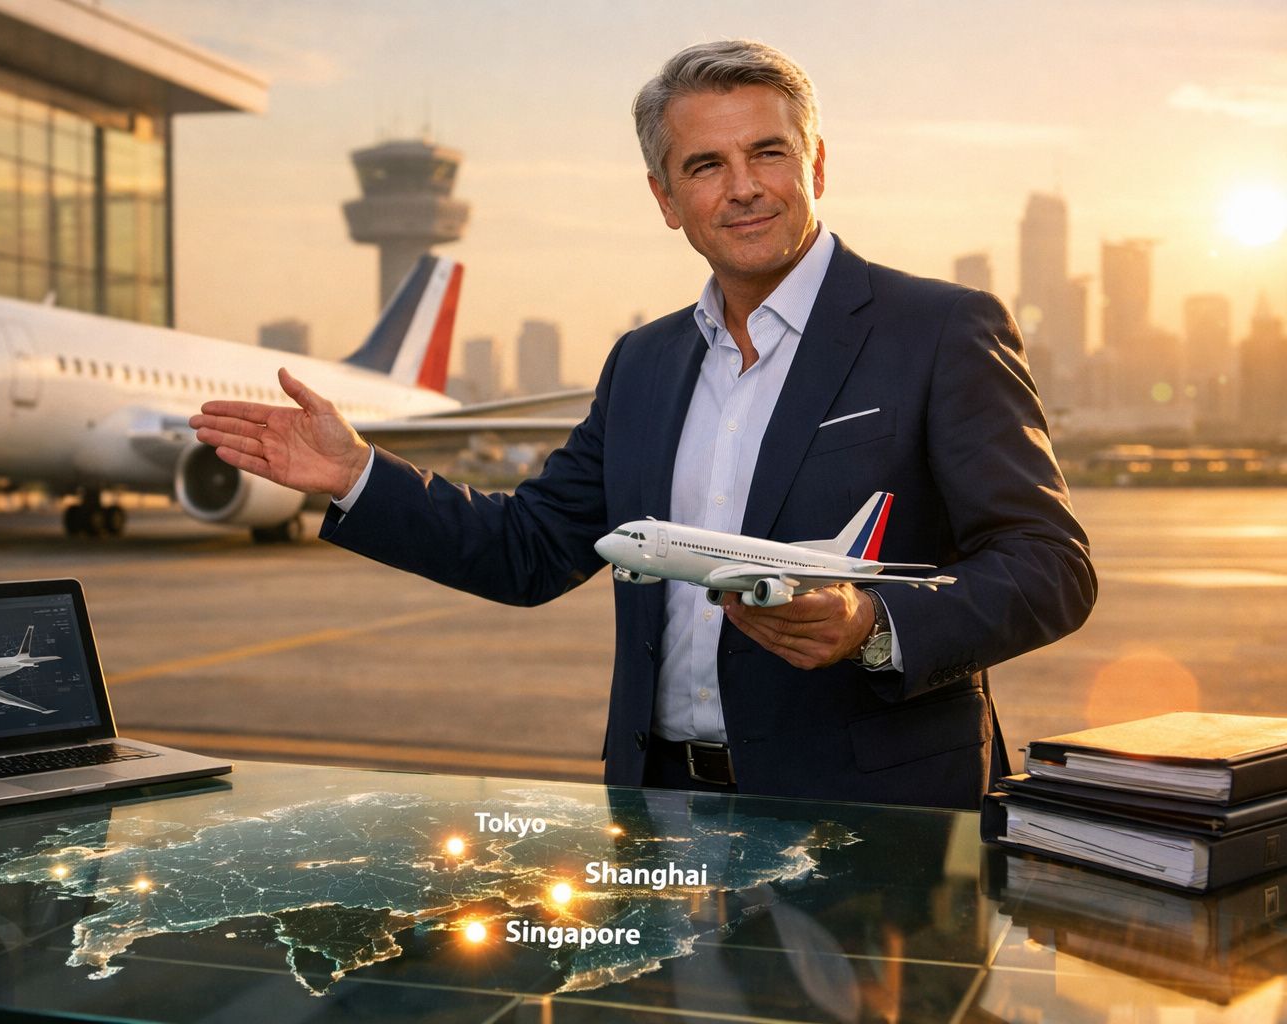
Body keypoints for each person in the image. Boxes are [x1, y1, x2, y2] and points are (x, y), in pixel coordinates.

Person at [190, 40, 1096, 810]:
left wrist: (875, 624)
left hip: (869, 809)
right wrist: (358, 475)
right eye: (706, 165)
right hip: (658, 808)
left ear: (816, 167)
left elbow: (1049, 564)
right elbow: (530, 548)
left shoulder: (938, 330)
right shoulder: (643, 364)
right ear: (666, 199)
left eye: (768, 154)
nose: (743, 189)